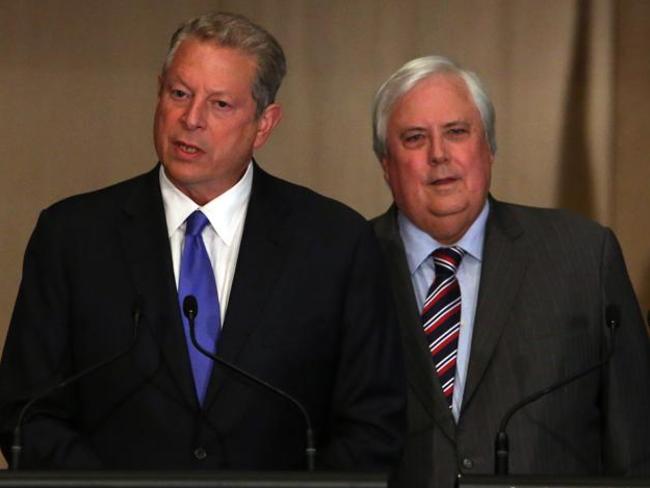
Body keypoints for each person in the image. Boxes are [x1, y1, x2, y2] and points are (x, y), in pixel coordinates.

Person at [0, 12, 405, 470]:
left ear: (264, 125)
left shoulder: (334, 244)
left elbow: (373, 424)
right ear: (159, 93)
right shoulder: (72, 237)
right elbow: (28, 412)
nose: (191, 119)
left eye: (220, 105)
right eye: (179, 94)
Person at [370, 55, 650, 488]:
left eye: (457, 132)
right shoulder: (346, 263)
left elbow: (637, 443)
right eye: (414, 138)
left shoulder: (582, 254)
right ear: (386, 165)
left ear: (490, 148)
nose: (439, 155)